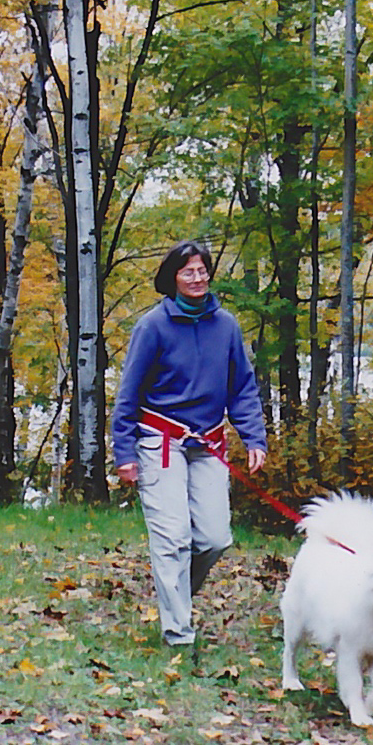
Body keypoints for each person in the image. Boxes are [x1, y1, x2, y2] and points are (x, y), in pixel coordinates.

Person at [111, 240, 268, 648]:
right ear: (173, 278)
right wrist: (123, 454)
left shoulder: (227, 326)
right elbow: (128, 394)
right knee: (173, 538)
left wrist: (254, 437)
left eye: (202, 271)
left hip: (209, 442)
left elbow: (243, 388)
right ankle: (178, 634)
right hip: (160, 442)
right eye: (188, 272)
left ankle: (174, 598)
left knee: (215, 538)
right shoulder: (152, 327)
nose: (197, 279)